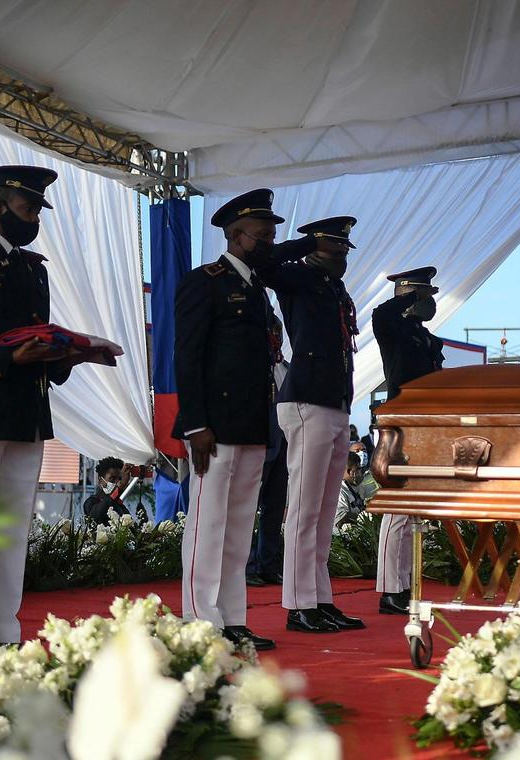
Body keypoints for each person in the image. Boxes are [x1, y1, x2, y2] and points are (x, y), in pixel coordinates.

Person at [0, 165, 102, 669]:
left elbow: (41, 341)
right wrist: (11, 359)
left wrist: (69, 356)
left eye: (37, 212)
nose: (34, 219)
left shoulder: (35, 269)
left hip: (28, 412)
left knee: (10, 530)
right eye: (28, 209)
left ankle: (4, 630)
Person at [171, 188, 311, 652]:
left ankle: (232, 618)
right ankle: (199, 619)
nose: (269, 242)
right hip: (214, 425)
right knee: (207, 524)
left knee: (236, 528)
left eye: (273, 234)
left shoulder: (256, 289)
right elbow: (187, 357)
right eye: (261, 235)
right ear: (235, 236)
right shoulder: (205, 281)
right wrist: (194, 424)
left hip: (253, 422)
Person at [257, 215, 365, 634]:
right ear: (314, 247)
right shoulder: (297, 277)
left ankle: (320, 599)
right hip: (306, 400)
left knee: (322, 511)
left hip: (335, 401)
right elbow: (265, 265)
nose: (341, 255)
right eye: (333, 247)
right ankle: (299, 605)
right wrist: (301, 247)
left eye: (343, 249)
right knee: (303, 507)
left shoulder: (333, 287)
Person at [371, 266, 445, 615]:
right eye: (425, 295)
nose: (431, 302)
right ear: (409, 296)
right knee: (397, 508)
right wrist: (407, 298)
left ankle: (404, 585)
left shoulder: (426, 337)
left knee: (413, 510)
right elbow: (380, 313)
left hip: (425, 425)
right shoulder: (394, 329)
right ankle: (389, 589)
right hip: (400, 422)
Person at [246, 317, 290, 588]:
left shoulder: (286, 368)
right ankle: (247, 565)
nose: (277, 336)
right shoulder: (253, 368)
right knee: (249, 509)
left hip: (285, 447)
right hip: (260, 445)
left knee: (274, 509)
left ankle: (268, 565)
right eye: (272, 332)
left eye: (279, 332)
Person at [82, 457, 131, 527]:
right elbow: (95, 516)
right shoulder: (91, 502)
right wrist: (120, 487)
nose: (117, 482)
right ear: (100, 479)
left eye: (119, 479)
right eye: (112, 478)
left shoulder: (120, 506)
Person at [334, 452, 366, 532]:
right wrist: (362, 516)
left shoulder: (356, 486)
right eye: (358, 469)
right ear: (349, 472)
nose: (360, 472)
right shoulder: (338, 490)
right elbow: (340, 518)